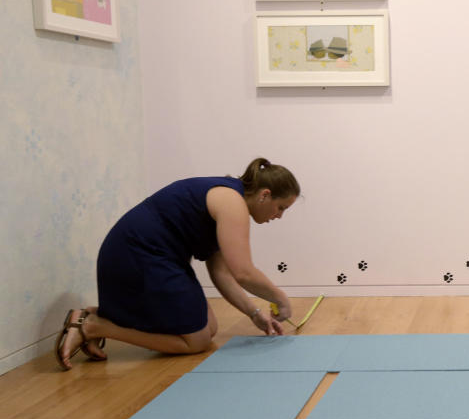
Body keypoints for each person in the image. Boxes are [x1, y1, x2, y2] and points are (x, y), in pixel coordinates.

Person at [55, 158, 300, 370]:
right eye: (281, 208)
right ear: (264, 194)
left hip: (149, 255)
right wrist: (280, 298)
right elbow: (244, 273)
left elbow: (221, 273)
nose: (278, 216)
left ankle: (93, 315)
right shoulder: (231, 202)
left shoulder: (230, 198)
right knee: (197, 341)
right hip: (137, 255)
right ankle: (94, 327)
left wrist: (254, 314)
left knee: (209, 328)